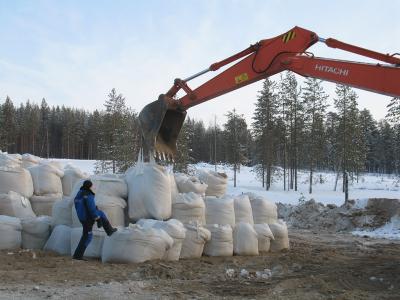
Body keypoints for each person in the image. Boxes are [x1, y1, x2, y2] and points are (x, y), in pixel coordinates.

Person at [72, 180, 117, 260]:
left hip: (82, 217)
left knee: (100, 214)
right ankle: (78, 256)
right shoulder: (88, 195)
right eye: (92, 186)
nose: (93, 188)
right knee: (88, 236)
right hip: (87, 218)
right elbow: (91, 208)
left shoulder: (79, 194)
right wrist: (97, 218)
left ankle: (77, 255)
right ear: (89, 186)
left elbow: (80, 206)